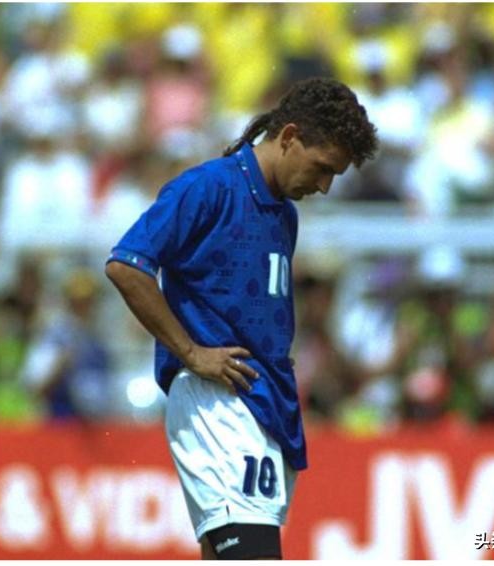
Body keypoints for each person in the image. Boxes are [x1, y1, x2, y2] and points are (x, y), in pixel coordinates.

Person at [105, 77, 378, 560]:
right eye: (322, 168)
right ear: (290, 136)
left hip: (266, 406)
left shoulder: (284, 214)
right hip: (218, 401)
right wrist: (190, 352)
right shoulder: (208, 187)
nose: (324, 186)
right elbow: (127, 265)